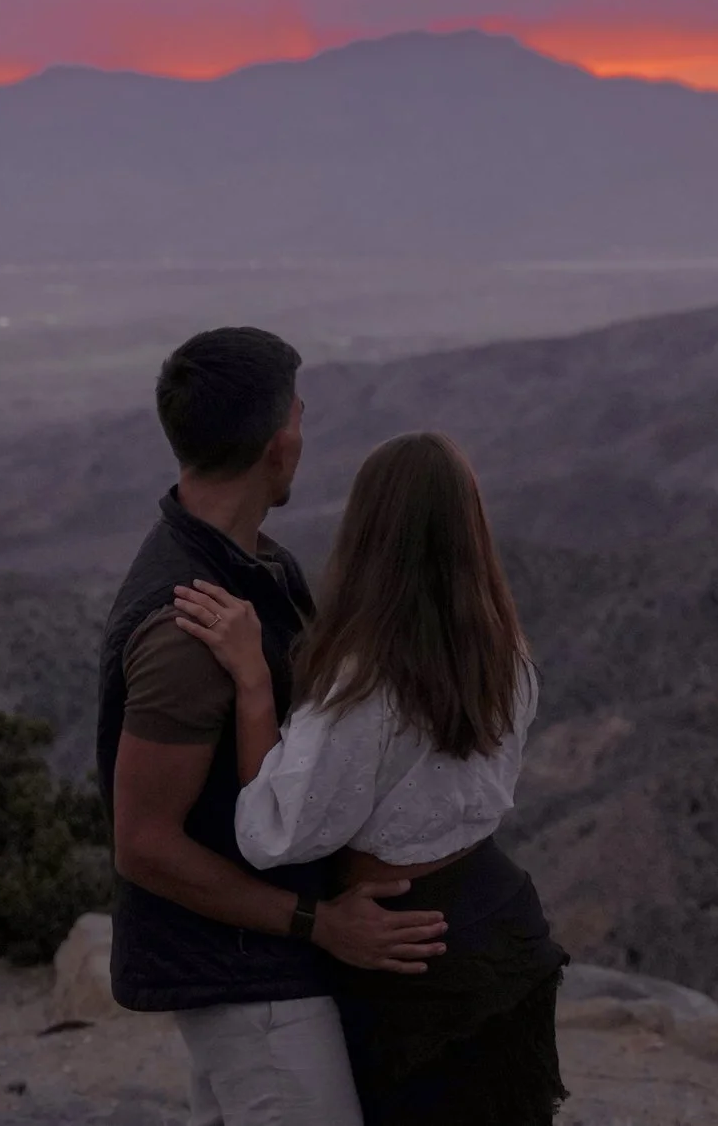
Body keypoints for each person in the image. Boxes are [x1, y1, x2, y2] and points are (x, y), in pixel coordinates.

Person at [98, 326, 449, 1126]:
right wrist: (320, 923)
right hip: (247, 981)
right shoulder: (187, 627)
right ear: (280, 443)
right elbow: (144, 842)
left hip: (259, 967)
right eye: (298, 415)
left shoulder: (254, 565)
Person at [173, 430, 569, 1126]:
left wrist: (255, 683)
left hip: (411, 951)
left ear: (367, 532)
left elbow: (273, 831)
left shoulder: (366, 682)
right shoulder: (505, 654)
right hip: (502, 920)